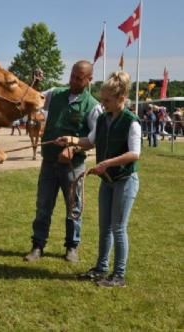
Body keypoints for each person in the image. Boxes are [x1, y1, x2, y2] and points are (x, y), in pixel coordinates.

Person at [56, 71, 141, 287]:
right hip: (108, 181)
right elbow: (89, 141)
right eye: (102, 100)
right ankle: (101, 269)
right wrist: (71, 139)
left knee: (118, 228)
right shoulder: (103, 119)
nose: (102, 104)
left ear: (121, 98)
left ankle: (118, 275)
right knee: (104, 228)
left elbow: (135, 154)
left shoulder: (132, 122)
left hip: (125, 180)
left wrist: (106, 163)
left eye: (107, 100)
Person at [23, 60, 103, 263]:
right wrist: (36, 84)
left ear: (89, 80)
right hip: (49, 163)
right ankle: (37, 246)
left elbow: (96, 138)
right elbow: (35, 99)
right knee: (43, 206)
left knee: (73, 208)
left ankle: (72, 247)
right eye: (72, 75)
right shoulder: (55, 94)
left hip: (73, 167)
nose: (73, 80)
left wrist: (74, 148)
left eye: (79, 78)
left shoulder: (93, 107)